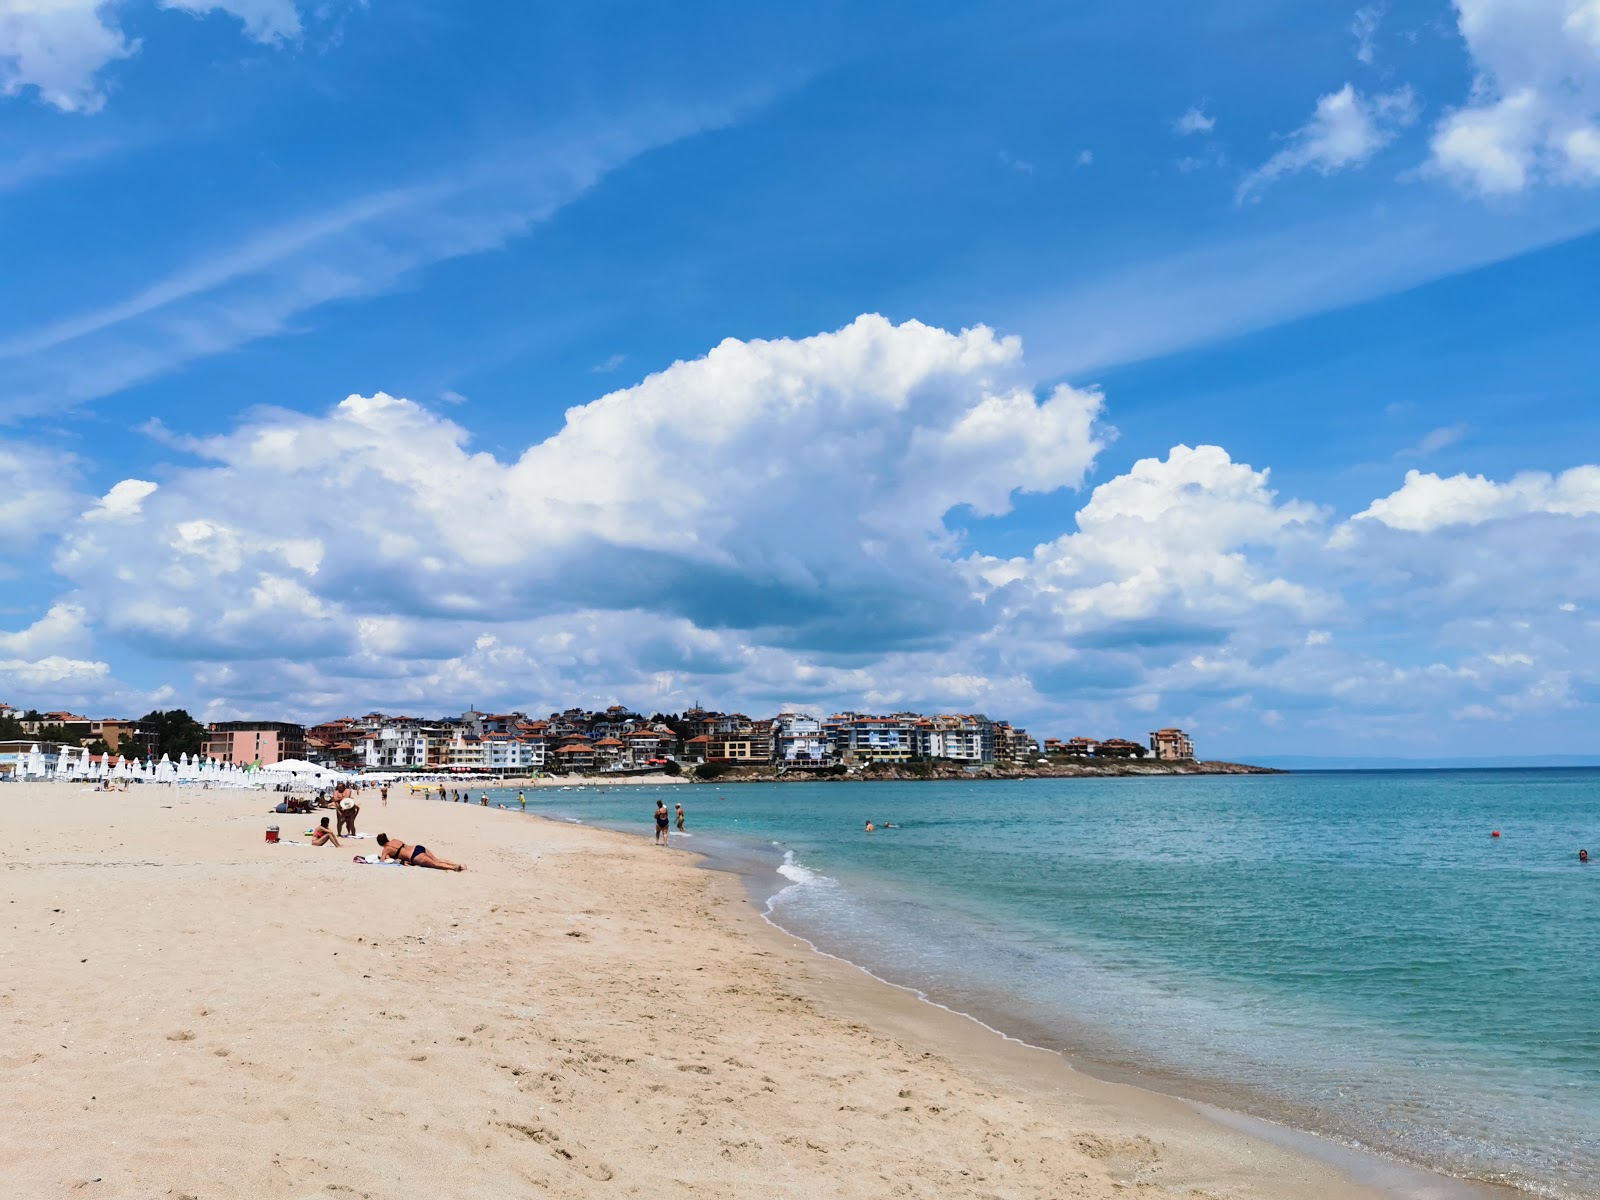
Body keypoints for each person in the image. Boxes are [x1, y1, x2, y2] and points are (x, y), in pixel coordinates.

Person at [375, 833, 464, 871]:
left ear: (380, 843)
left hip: (414, 856)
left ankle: (453, 868)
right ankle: (456, 864)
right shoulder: (395, 840)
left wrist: (385, 857)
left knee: (435, 864)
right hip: (418, 848)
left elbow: (382, 863)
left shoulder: (386, 850)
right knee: (437, 859)